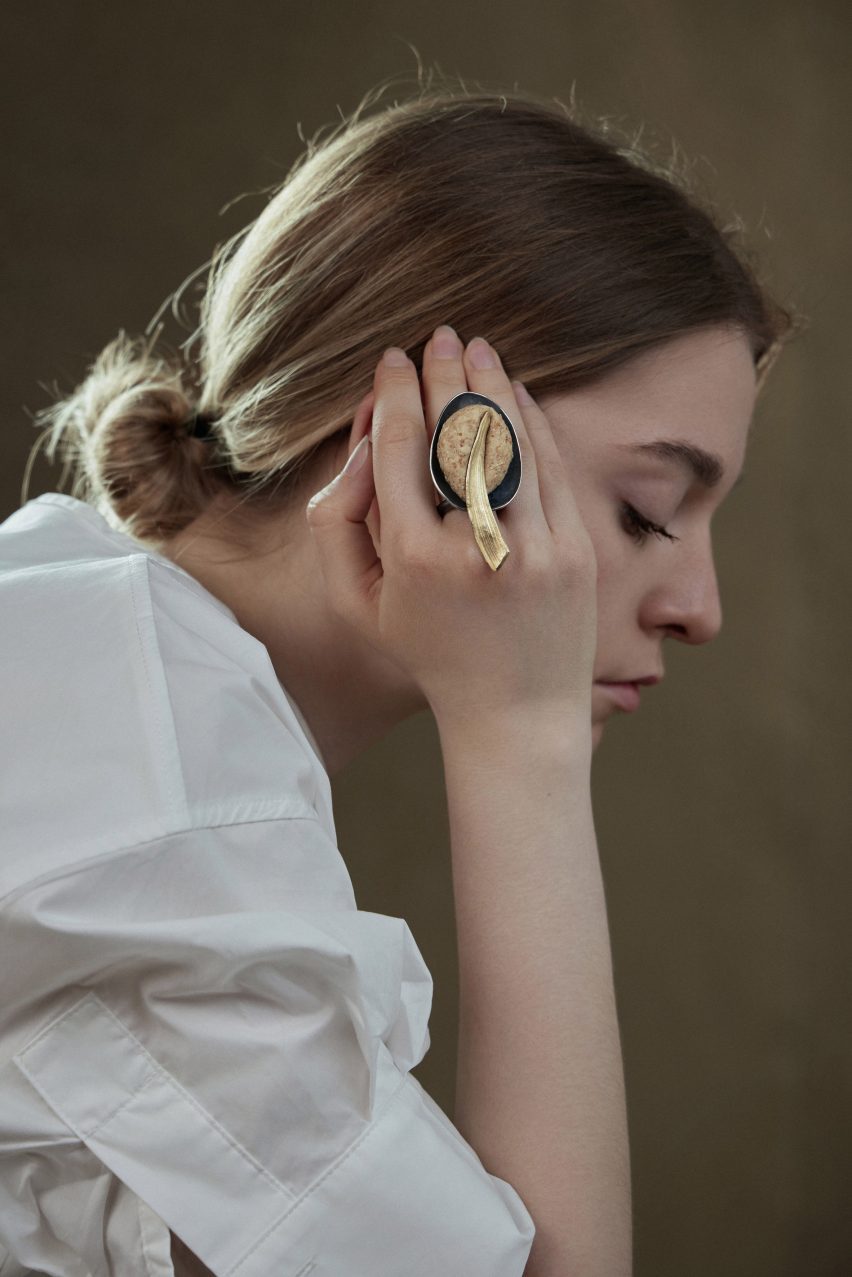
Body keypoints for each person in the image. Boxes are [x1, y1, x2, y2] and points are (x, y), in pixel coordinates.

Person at [0, 81, 794, 1277]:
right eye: (647, 510)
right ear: (423, 434)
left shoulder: (81, 627)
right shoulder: (162, 802)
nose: (702, 609)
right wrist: (520, 736)